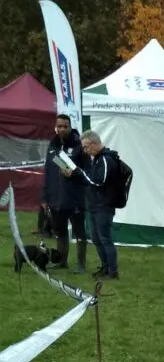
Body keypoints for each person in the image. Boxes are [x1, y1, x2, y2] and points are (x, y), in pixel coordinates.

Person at [63, 130, 120, 280]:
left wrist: (78, 172)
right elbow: (89, 180)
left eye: (86, 147)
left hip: (104, 206)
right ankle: (105, 268)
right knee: (96, 239)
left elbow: (98, 181)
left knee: (105, 239)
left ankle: (113, 272)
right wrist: (74, 175)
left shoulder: (106, 160)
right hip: (94, 205)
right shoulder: (97, 159)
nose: (85, 150)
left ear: (94, 144)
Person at [41, 114, 87, 273]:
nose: (61, 129)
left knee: (79, 232)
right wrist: (45, 197)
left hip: (74, 199)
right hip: (55, 198)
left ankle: (81, 264)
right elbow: (47, 172)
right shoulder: (52, 145)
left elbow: (86, 172)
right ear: (56, 127)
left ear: (70, 126)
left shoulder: (79, 145)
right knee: (60, 231)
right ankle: (62, 261)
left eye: (65, 126)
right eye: (59, 126)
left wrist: (73, 174)